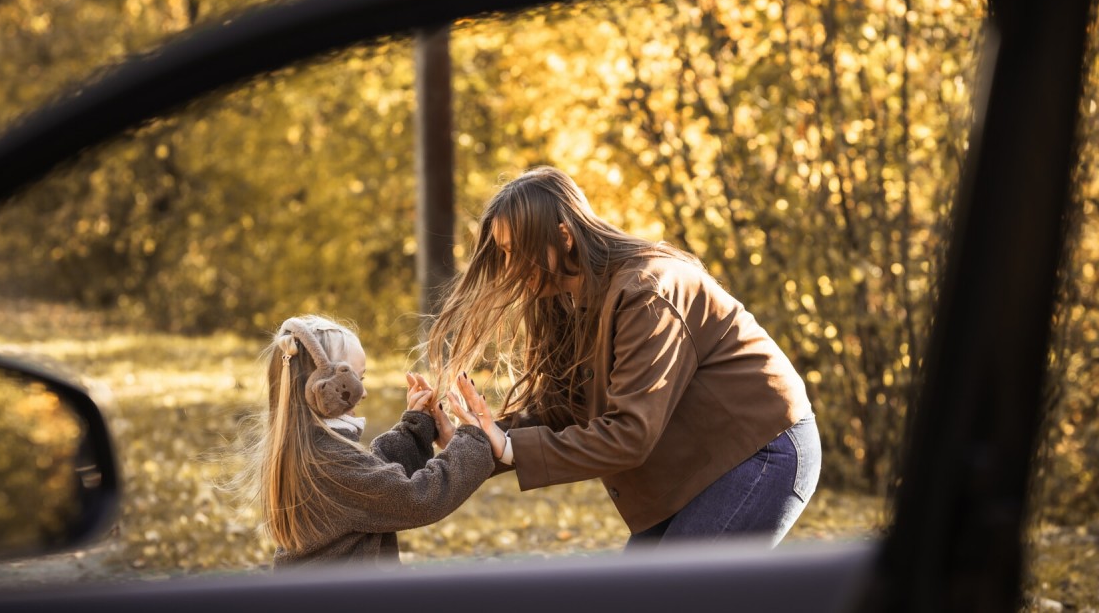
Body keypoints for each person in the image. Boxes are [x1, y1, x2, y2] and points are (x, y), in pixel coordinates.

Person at [428, 166, 820, 549]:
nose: (509, 269)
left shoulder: (647, 292)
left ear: (563, 236)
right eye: (504, 253)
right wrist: (477, 440)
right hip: (694, 464)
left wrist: (507, 446)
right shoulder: (563, 298)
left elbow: (630, 433)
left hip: (762, 448)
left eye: (517, 253)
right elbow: (563, 406)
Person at [256, 315, 501, 567]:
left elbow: (372, 479)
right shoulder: (331, 463)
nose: (364, 394)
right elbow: (417, 499)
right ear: (323, 386)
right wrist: (472, 438)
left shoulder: (313, 450)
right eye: (355, 381)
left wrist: (414, 430)